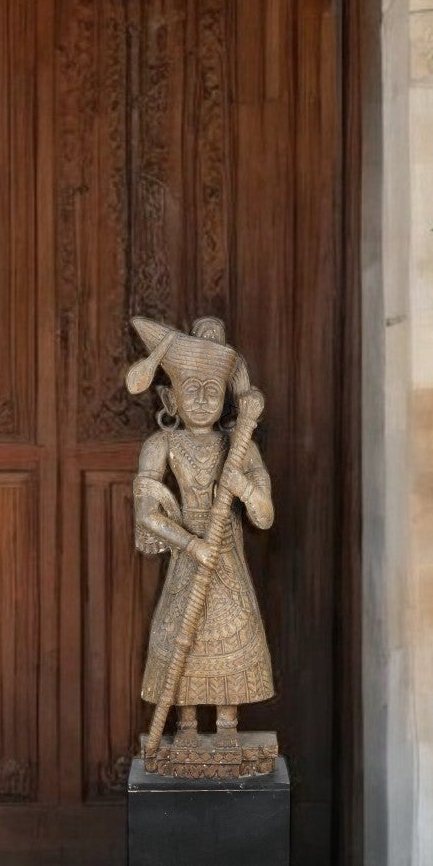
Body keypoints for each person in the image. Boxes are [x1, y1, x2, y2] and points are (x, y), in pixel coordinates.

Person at [128, 315, 274, 739]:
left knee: (232, 631)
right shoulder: (161, 445)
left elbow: (264, 515)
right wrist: (190, 545)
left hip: (227, 555)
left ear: (228, 400)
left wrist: (242, 484)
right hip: (189, 555)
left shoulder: (240, 446)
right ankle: (187, 726)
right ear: (169, 400)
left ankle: (228, 726)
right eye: (192, 390)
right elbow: (147, 514)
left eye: (213, 391)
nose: (203, 400)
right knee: (181, 638)